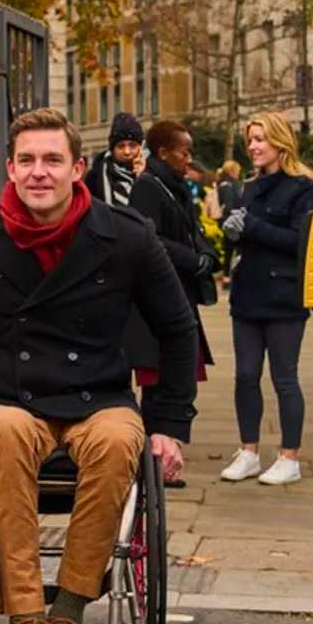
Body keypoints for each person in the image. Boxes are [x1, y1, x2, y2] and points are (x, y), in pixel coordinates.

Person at [0, 108, 198, 624]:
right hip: (5, 399)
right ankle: (26, 620)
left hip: (100, 398)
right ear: (11, 169)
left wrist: (169, 427)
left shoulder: (126, 237)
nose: (40, 172)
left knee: (116, 441)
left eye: (53, 160)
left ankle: (69, 611)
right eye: (28, 160)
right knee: (7, 432)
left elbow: (178, 330)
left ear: (78, 169)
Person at [218, 111, 313, 487]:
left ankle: (289, 457)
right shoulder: (249, 186)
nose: (254, 147)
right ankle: (248, 451)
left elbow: (301, 241)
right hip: (247, 294)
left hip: (283, 298)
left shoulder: (301, 187)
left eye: (260, 139)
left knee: (284, 377)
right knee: (245, 376)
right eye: (250, 140)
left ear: (280, 141)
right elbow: (248, 236)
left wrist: (253, 227)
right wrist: (231, 232)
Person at [125, 121, 219, 475]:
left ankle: (164, 456)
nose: (188, 157)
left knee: (175, 382)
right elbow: (149, 239)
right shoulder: (149, 187)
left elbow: (190, 230)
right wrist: (192, 259)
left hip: (179, 294)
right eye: (184, 151)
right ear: (164, 152)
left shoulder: (174, 186)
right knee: (159, 386)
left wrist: (206, 255)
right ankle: (154, 460)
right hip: (156, 303)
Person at [85, 112, 145, 206]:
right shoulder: (95, 177)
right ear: (112, 149)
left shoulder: (152, 175)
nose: (127, 152)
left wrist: (142, 177)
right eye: (121, 146)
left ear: (141, 148)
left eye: (132, 146)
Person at [213, 160, 244, 286]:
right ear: (233, 170)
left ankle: (227, 275)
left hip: (228, 220)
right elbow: (229, 204)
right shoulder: (229, 185)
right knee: (234, 249)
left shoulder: (223, 183)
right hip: (233, 221)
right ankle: (228, 276)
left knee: (229, 250)